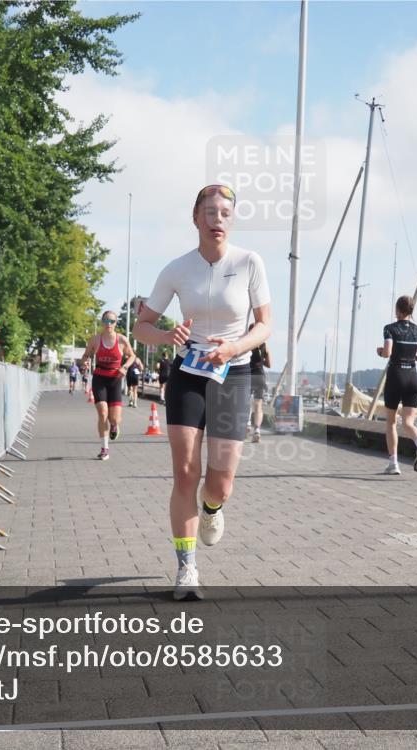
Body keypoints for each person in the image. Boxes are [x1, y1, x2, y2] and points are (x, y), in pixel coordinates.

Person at [134, 184, 271, 600]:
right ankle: (186, 567)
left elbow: (265, 325)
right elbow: (141, 327)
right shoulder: (177, 269)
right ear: (196, 218)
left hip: (235, 372)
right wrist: (163, 333)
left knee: (221, 482)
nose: (218, 220)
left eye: (225, 213)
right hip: (189, 373)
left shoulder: (250, 262)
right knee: (185, 473)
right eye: (210, 213)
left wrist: (234, 346)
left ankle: (213, 509)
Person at [377, 295, 417, 475]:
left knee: (391, 422)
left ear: (398, 310)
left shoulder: (390, 329)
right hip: (413, 379)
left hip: (396, 377)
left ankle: (393, 464)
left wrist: (380, 352)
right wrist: (412, 357)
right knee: (408, 422)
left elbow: (387, 352)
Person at [82, 311, 136, 460]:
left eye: (111, 321)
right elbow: (86, 355)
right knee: (102, 413)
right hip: (100, 378)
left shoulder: (122, 340)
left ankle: (114, 425)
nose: (108, 324)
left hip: (115, 379)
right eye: (105, 321)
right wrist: (85, 361)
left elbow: (132, 356)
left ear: (115, 323)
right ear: (102, 322)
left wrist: (124, 367)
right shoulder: (95, 340)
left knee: (115, 419)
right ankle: (104, 448)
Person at [246, 323, 271, 443]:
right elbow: (269, 364)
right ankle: (257, 430)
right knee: (258, 405)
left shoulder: (245, 344)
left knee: (246, 402)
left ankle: (247, 424)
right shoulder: (264, 346)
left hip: (247, 375)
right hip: (260, 376)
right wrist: (261, 361)